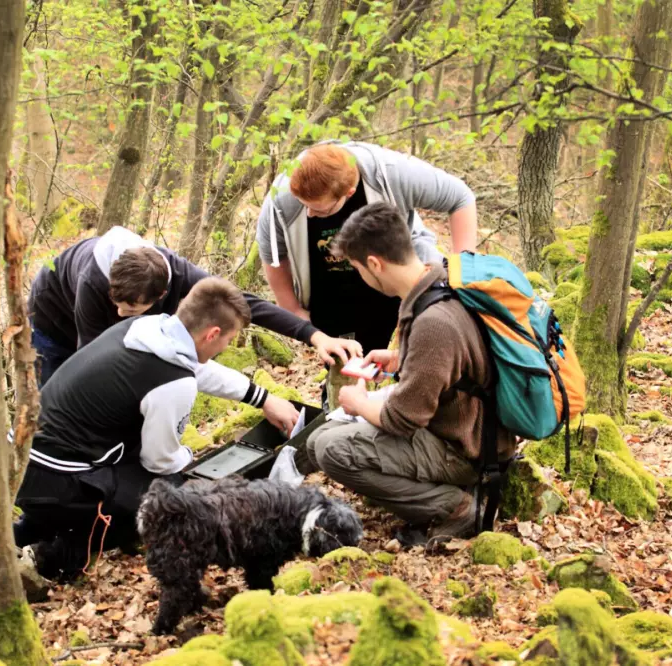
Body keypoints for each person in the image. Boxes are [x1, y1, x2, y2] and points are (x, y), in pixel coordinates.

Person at [13, 277, 301, 581]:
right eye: (228, 341)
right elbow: (160, 462)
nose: (225, 347)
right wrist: (189, 455)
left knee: (138, 469)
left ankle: (22, 533)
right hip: (60, 480)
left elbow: (195, 368)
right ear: (212, 334)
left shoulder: (147, 330)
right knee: (168, 492)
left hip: (24, 465)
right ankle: (55, 558)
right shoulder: (173, 380)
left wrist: (263, 398)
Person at [304, 202, 515, 542]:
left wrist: (356, 402)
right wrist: (401, 357)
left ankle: (456, 507)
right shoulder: (439, 280)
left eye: (358, 268)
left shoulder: (433, 322)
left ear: (375, 264)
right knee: (316, 443)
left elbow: (403, 419)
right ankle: (422, 494)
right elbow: (455, 356)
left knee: (329, 449)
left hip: (464, 449)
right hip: (465, 428)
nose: (360, 276)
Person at [28, 225, 360, 386]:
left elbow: (243, 302)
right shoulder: (93, 285)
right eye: (118, 306)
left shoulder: (177, 272)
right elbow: (92, 362)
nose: (119, 315)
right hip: (54, 320)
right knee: (60, 398)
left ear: (162, 297)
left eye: (129, 311)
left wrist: (315, 336)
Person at [256, 141, 478, 352]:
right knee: (344, 363)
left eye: (319, 210)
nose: (310, 214)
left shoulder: (391, 172)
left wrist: (462, 273)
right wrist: (293, 310)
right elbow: (272, 253)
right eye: (304, 206)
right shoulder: (282, 198)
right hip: (329, 292)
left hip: (392, 279)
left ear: (348, 193)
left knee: (406, 353)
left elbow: (460, 197)